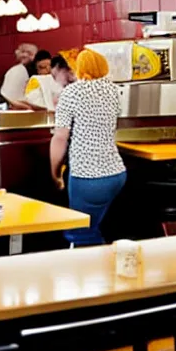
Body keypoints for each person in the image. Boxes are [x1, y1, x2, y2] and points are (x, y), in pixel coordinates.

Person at [50, 48, 126, 247]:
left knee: (80, 234)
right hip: (116, 174)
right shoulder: (112, 90)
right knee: (94, 228)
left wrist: (56, 173)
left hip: (88, 177)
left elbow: (60, 138)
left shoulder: (72, 93)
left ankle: (96, 273)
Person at [0, 43, 38, 109]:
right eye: (23, 52)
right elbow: (10, 97)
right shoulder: (15, 71)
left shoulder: (37, 71)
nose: (25, 55)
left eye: (29, 53)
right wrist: (28, 108)